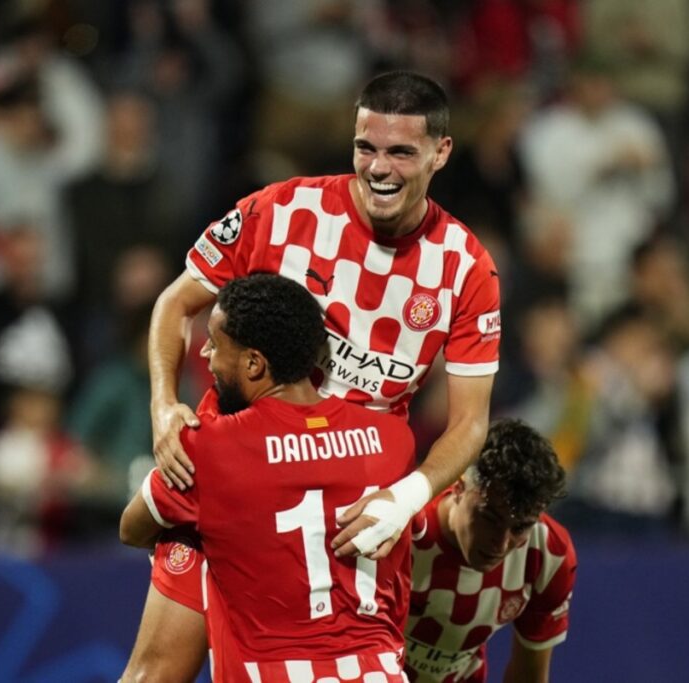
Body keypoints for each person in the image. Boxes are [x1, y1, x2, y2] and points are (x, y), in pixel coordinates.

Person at [142, 71, 501, 678]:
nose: (379, 168)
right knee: (154, 674)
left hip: (351, 518)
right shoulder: (279, 210)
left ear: (441, 152)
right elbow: (174, 305)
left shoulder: (466, 268)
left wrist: (407, 499)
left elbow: (470, 423)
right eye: (367, 147)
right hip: (234, 481)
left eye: (401, 152)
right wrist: (162, 404)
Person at [120, 274, 417, 681]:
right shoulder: (393, 439)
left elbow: (131, 528)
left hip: (272, 673)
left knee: (184, 538)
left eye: (214, 342)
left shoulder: (209, 448)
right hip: (379, 673)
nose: (205, 353)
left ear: (254, 363)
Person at [404, 418, 575, 683]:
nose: (501, 543)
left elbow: (528, 675)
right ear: (459, 485)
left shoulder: (548, 554)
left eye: (520, 527)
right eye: (490, 518)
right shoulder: (403, 529)